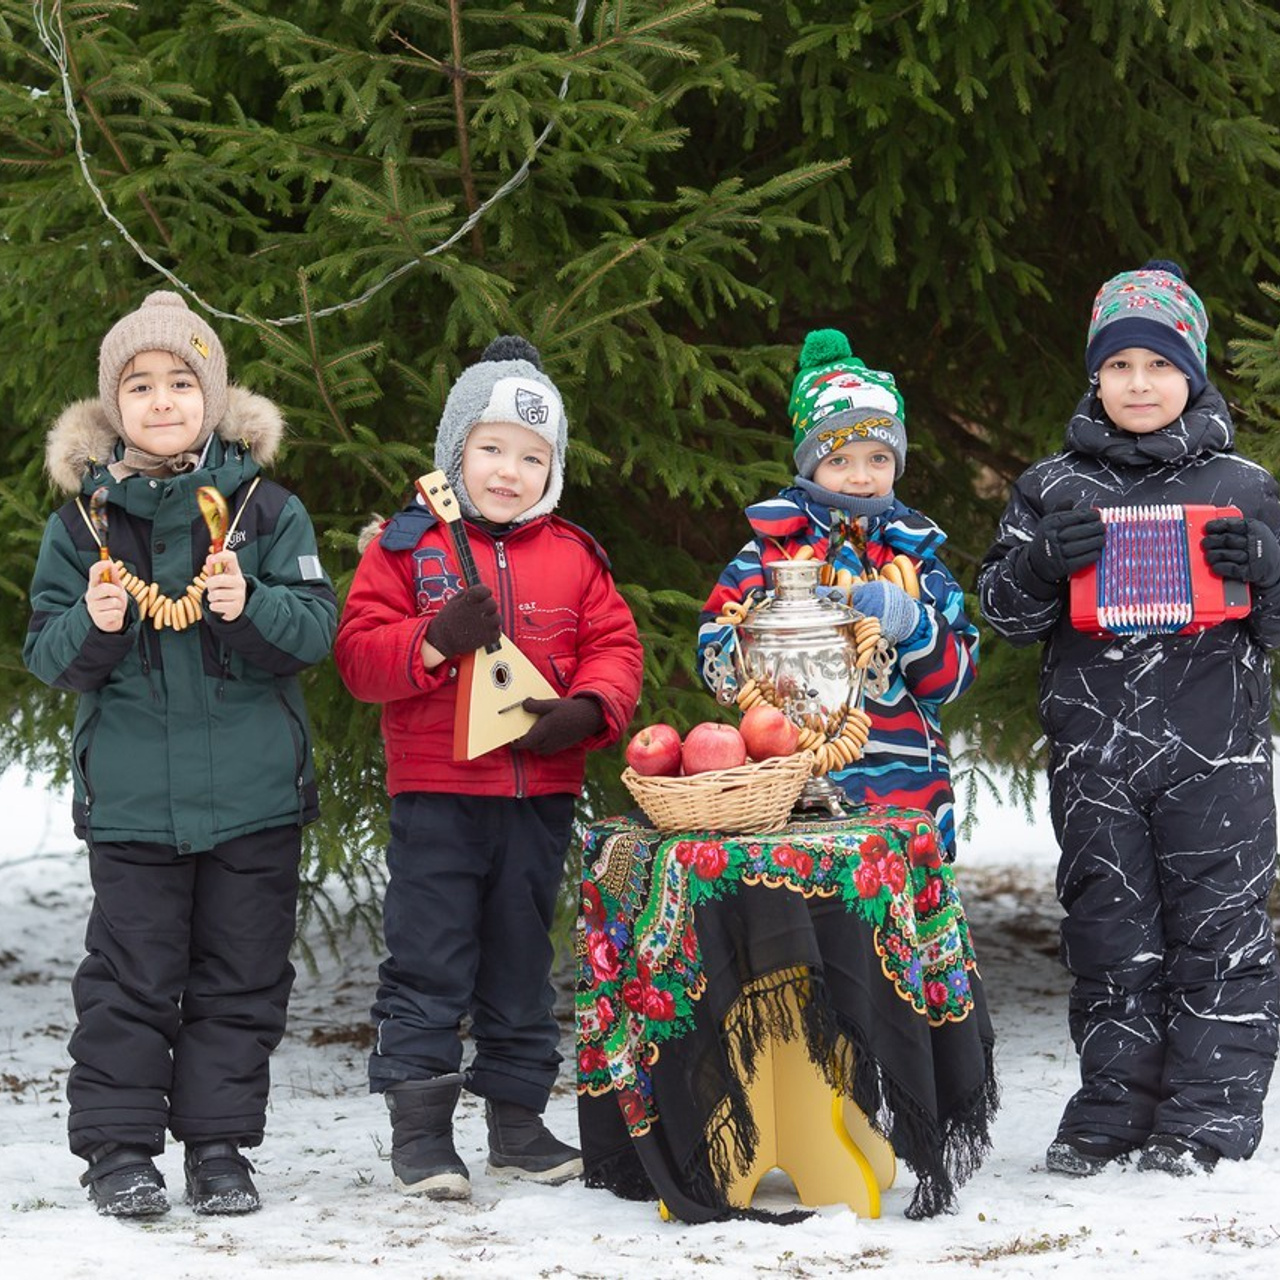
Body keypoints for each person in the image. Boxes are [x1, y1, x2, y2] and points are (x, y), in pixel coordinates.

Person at [23, 291, 337, 1217]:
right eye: (140, 385)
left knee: (242, 976)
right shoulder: (82, 525)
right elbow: (47, 653)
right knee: (130, 980)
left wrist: (252, 605)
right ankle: (119, 1151)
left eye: (181, 382)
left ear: (213, 397)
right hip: (133, 807)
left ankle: (219, 1148)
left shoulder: (267, 512)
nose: (162, 400)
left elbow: (313, 631)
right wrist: (93, 622)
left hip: (254, 801)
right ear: (112, 405)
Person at [978, 260, 1280, 1178]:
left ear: (1192, 371)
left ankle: (1206, 1117)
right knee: (1109, 933)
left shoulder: (1245, 485)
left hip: (1216, 759)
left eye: (1158, 364)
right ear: (1095, 375)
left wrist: (1267, 568)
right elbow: (1003, 613)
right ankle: (1110, 1110)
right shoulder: (1052, 487)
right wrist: (1038, 564)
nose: (1138, 383)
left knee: (1219, 931)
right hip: (1095, 760)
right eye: (1118, 365)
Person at [335, 334, 643, 1201]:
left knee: (520, 962)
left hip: (536, 797)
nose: (510, 471)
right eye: (492, 449)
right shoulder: (407, 546)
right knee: (429, 960)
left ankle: (517, 1122)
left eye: (532, 457)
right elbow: (359, 656)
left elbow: (615, 647)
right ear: (455, 450)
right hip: (438, 796)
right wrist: (432, 639)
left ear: (554, 469)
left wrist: (590, 709)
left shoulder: (574, 556)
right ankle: (423, 1134)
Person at [697, 328, 979, 859]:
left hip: (907, 793)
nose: (860, 477)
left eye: (878, 459)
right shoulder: (770, 553)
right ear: (811, 464)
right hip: (787, 794)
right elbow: (714, 648)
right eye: (840, 460)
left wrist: (911, 621)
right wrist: (760, 643)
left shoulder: (918, 557)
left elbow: (955, 678)